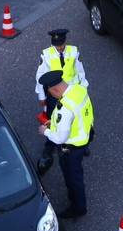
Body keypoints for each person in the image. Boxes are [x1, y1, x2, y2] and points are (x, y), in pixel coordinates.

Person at [37, 70, 94, 218]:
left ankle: (78, 207)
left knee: (73, 178)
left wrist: (46, 131)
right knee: (76, 175)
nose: (53, 96)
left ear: (55, 89)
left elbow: (60, 138)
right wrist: (54, 123)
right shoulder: (78, 89)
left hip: (71, 148)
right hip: (84, 137)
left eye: (51, 93)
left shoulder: (66, 108)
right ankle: (77, 202)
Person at [34, 28, 88, 174]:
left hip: (72, 91)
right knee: (54, 119)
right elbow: (40, 76)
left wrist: (83, 88)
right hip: (55, 93)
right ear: (52, 44)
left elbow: (80, 71)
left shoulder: (73, 51)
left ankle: (82, 143)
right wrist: (41, 96)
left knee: (78, 117)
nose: (59, 48)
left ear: (65, 42)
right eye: (57, 45)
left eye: (61, 44)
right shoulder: (46, 54)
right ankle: (50, 145)